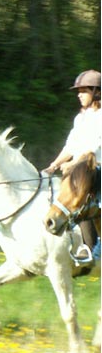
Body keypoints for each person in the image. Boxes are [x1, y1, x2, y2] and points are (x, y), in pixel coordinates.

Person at [44, 69, 101, 263]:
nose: (79, 94)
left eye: (83, 91)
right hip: (79, 171)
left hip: (96, 169)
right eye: (79, 91)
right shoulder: (80, 118)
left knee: (82, 201)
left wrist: (72, 165)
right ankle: (84, 245)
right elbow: (71, 145)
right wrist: (54, 164)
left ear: (96, 92)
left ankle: (93, 248)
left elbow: (92, 150)